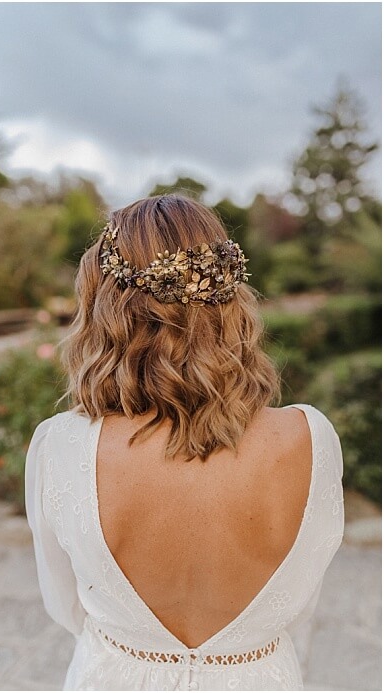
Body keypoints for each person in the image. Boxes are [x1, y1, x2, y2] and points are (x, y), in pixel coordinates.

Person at [25, 195, 344, 690]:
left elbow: (64, 605)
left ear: (104, 310)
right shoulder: (310, 438)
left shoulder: (60, 445)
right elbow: (301, 602)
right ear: (232, 302)